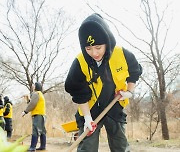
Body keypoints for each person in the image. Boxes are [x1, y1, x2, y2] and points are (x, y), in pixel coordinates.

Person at [65, 13, 142, 152]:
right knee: (87, 148)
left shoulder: (122, 54)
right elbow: (77, 90)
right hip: (91, 109)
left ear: (107, 41)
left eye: (98, 47)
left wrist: (129, 91)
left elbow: (135, 72)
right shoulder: (80, 62)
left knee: (120, 147)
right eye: (88, 49)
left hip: (115, 105)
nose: (94, 53)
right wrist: (87, 117)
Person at [22, 82, 46, 152]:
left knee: (35, 130)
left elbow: (32, 104)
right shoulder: (40, 94)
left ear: (36, 87)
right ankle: (43, 146)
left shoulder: (36, 93)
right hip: (42, 115)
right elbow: (32, 102)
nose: (33, 86)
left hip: (38, 114)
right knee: (42, 131)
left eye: (34, 85)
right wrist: (27, 98)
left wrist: (25, 111)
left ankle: (32, 147)